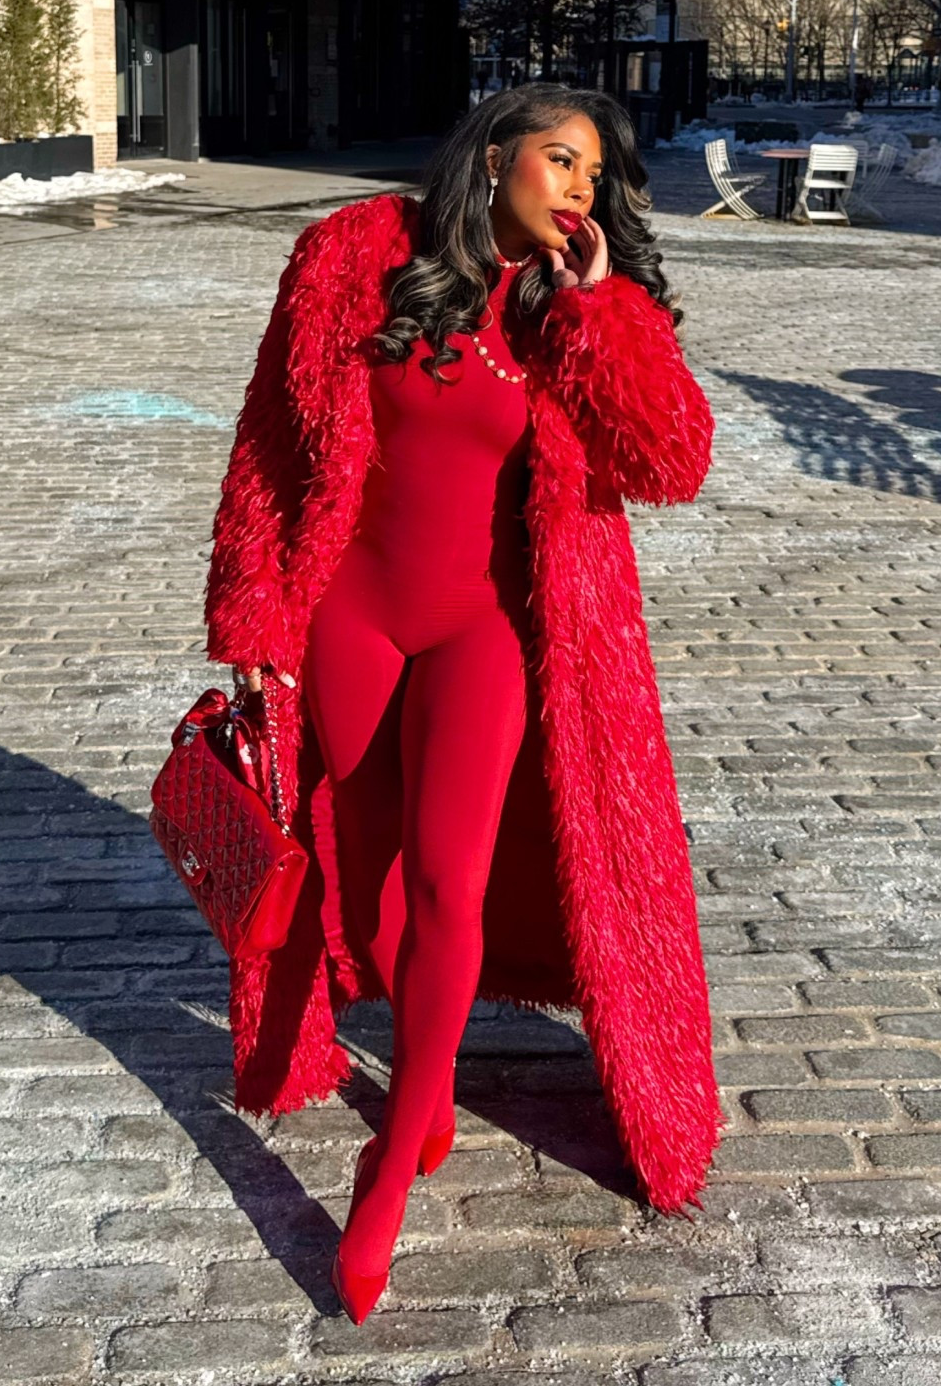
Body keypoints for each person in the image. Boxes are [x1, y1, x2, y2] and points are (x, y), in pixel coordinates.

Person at [203, 85, 719, 1322]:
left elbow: (672, 461)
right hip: (351, 616)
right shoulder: (353, 256)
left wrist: (602, 312)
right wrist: (257, 620)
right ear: (490, 159)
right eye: (559, 158)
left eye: (595, 170)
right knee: (368, 894)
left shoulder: (573, 305)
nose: (581, 187)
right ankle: (422, 1081)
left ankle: (389, 1163)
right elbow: (275, 440)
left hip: (486, 628)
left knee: (449, 876)